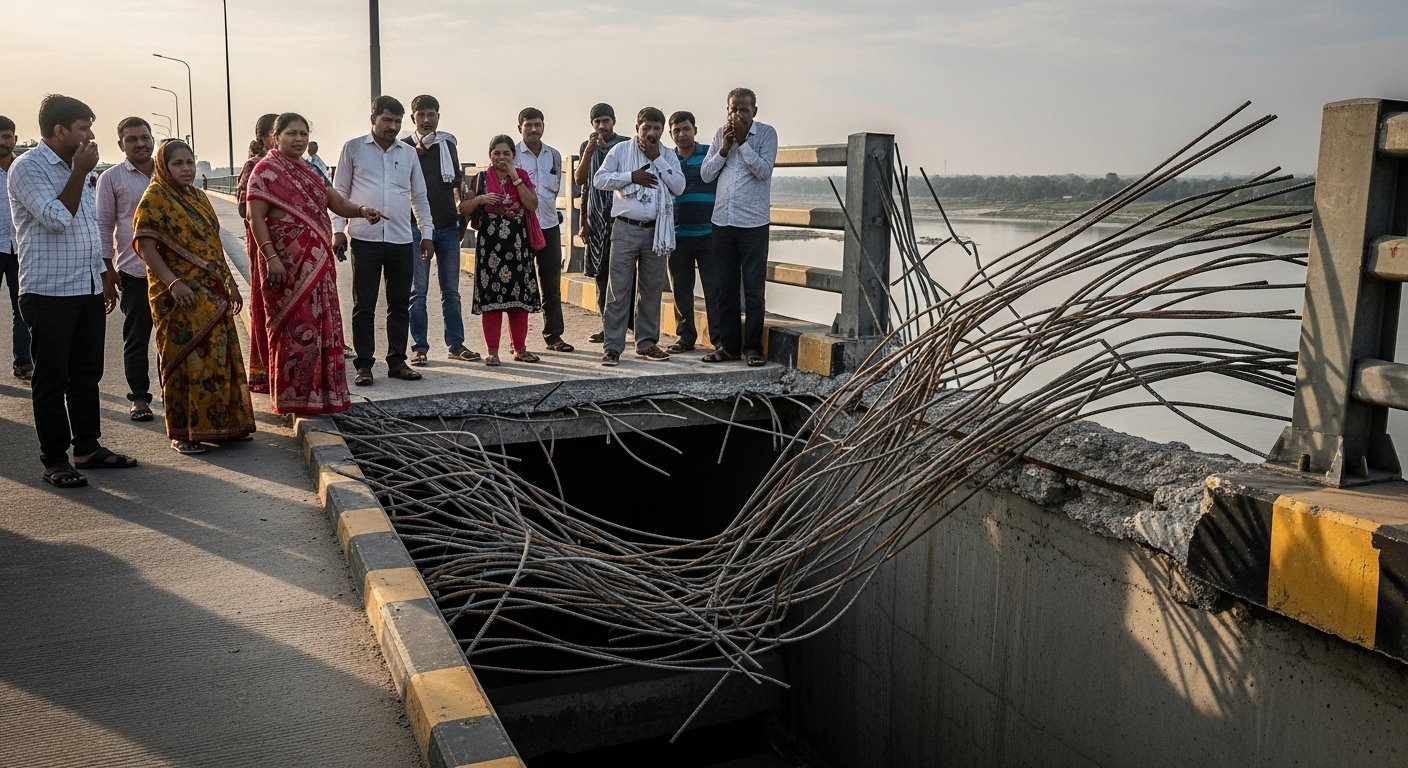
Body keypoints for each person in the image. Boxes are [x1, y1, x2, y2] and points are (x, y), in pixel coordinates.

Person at [10, 94, 136, 488]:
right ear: (60, 130)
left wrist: (103, 272)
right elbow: (57, 219)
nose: (91, 136)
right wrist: (80, 173)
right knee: (52, 379)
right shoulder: (27, 169)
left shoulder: (77, 168)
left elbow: (86, 230)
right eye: (83, 128)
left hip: (85, 287)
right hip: (48, 293)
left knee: (87, 374)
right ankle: (55, 459)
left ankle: (87, 447)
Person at [246, 112, 382, 414]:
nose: (298, 139)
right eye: (292, 133)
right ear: (275, 137)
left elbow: (336, 202)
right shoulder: (265, 171)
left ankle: (322, 396)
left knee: (322, 327)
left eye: (303, 134)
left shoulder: (311, 171)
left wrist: (362, 210)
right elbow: (256, 218)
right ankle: (293, 398)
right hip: (286, 267)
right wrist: (271, 258)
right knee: (294, 328)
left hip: (318, 265)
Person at [133, 140, 256, 454]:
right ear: (164, 166)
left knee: (219, 358)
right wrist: (174, 283)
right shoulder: (155, 198)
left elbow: (213, 245)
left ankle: (224, 426)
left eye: (190, 162)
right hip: (178, 296)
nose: (186, 169)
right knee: (185, 361)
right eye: (178, 164)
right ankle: (184, 432)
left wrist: (229, 284)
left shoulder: (199, 197)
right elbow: (147, 247)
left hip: (212, 292)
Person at [332, 95, 435, 386]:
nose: (392, 126)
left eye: (397, 121)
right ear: (373, 118)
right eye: (387, 120)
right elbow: (339, 192)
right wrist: (338, 229)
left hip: (402, 239)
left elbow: (419, 197)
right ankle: (364, 365)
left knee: (400, 303)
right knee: (363, 304)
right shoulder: (353, 149)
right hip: (365, 238)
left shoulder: (409, 152)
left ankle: (397, 361)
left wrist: (426, 234)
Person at [592, 107, 685, 366]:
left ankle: (646, 343)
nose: (651, 133)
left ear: (662, 131)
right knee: (618, 290)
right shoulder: (620, 151)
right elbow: (600, 179)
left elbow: (678, 186)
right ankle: (612, 346)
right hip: (625, 227)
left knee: (652, 290)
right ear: (637, 128)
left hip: (656, 229)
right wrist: (630, 177)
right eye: (647, 128)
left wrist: (658, 159)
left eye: (656, 128)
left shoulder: (667, 154)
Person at [700, 87, 778, 367]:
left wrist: (743, 143)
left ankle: (753, 348)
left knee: (754, 289)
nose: (737, 114)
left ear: (754, 111)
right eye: (733, 108)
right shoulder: (720, 135)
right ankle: (727, 346)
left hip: (753, 222)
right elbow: (706, 174)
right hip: (722, 220)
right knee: (725, 287)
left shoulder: (767, 134)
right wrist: (723, 149)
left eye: (743, 109)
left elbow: (764, 171)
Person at [403, 94, 480, 366]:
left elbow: (457, 186)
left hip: (447, 225)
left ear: (438, 117)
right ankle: (419, 347)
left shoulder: (447, 145)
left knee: (451, 291)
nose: (426, 120)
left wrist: (463, 221)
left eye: (431, 114)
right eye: (421, 115)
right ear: (412, 118)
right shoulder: (403, 147)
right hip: (416, 228)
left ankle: (456, 344)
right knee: (418, 291)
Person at [459, 135, 543, 366]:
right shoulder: (481, 179)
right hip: (490, 248)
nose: (502, 157)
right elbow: (463, 207)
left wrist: (515, 178)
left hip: (518, 246)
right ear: (490, 155)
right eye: (497, 153)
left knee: (518, 302)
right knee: (491, 301)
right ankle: (493, 351)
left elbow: (532, 204)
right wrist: (480, 199)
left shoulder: (522, 177)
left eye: (506, 153)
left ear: (513, 156)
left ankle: (520, 349)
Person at [96, 116, 157, 422]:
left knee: (178, 339)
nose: (140, 144)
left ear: (153, 139)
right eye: (132, 139)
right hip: (134, 274)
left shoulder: (170, 172)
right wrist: (107, 271)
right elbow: (104, 228)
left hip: (177, 275)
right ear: (121, 144)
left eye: (144, 137)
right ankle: (140, 399)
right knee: (136, 339)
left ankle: (177, 395)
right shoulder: (111, 179)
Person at [515, 107, 572, 353]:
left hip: (548, 224)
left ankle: (554, 336)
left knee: (551, 282)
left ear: (543, 126)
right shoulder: (514, 154)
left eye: (538, 124)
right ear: (520, 128)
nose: (534, 129)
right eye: (528, 125)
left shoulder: (554, 155)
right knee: (520, 283)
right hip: (521, 226)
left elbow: (555, 186)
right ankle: (518, 341)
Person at [574, 103, 629, 344]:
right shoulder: (587, 147)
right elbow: (580, 181)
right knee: (601, 274)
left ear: (613, 121)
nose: (601, 126)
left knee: (627, 274)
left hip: (622, 216)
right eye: (597, 122)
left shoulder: (625, 144)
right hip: (596, 219)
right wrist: (583, 223)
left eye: (605, 121)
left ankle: (630, 324)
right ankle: (606, 326)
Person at [666, 110, 717, 354]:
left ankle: (719, 338)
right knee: (681, 290)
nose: (682, 134)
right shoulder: (667, 159)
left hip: (709, 233)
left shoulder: (710, 154)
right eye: (676, 130)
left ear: (695, 129)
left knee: (713, 289)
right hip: (677, 234)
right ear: (670, 134)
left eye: (686, 129)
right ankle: (685, 338)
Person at [0, 115, 32, 382]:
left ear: (15, 139)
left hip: (20, 249)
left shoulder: (23, 171)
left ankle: (23, 363)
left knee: (22, 309)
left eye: (7, 136)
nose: (3, 142)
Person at [236, 113, 278, 220]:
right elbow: (243, 209)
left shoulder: (290, 164)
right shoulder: (253, 165)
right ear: (262, 139)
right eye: (274, 133)